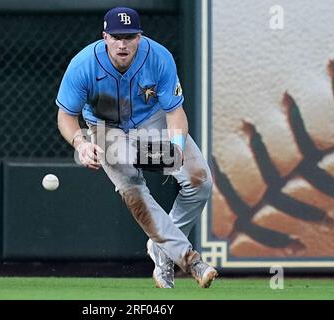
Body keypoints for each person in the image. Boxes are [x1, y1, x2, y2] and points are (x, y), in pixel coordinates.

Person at [55, 6, 217, 288]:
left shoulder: (159, 57)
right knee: (132, 188)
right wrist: (81, 143)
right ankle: (189, 259)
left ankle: (161, 249)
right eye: (116, 37)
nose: (122, 44)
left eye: (129, 36)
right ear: (104, 37)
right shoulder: (83, 65)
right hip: (106, 129)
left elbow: (175, 112)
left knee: (199, 181)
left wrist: (176, 147)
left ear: (139, 37)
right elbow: (66, 116)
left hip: (151, 122)